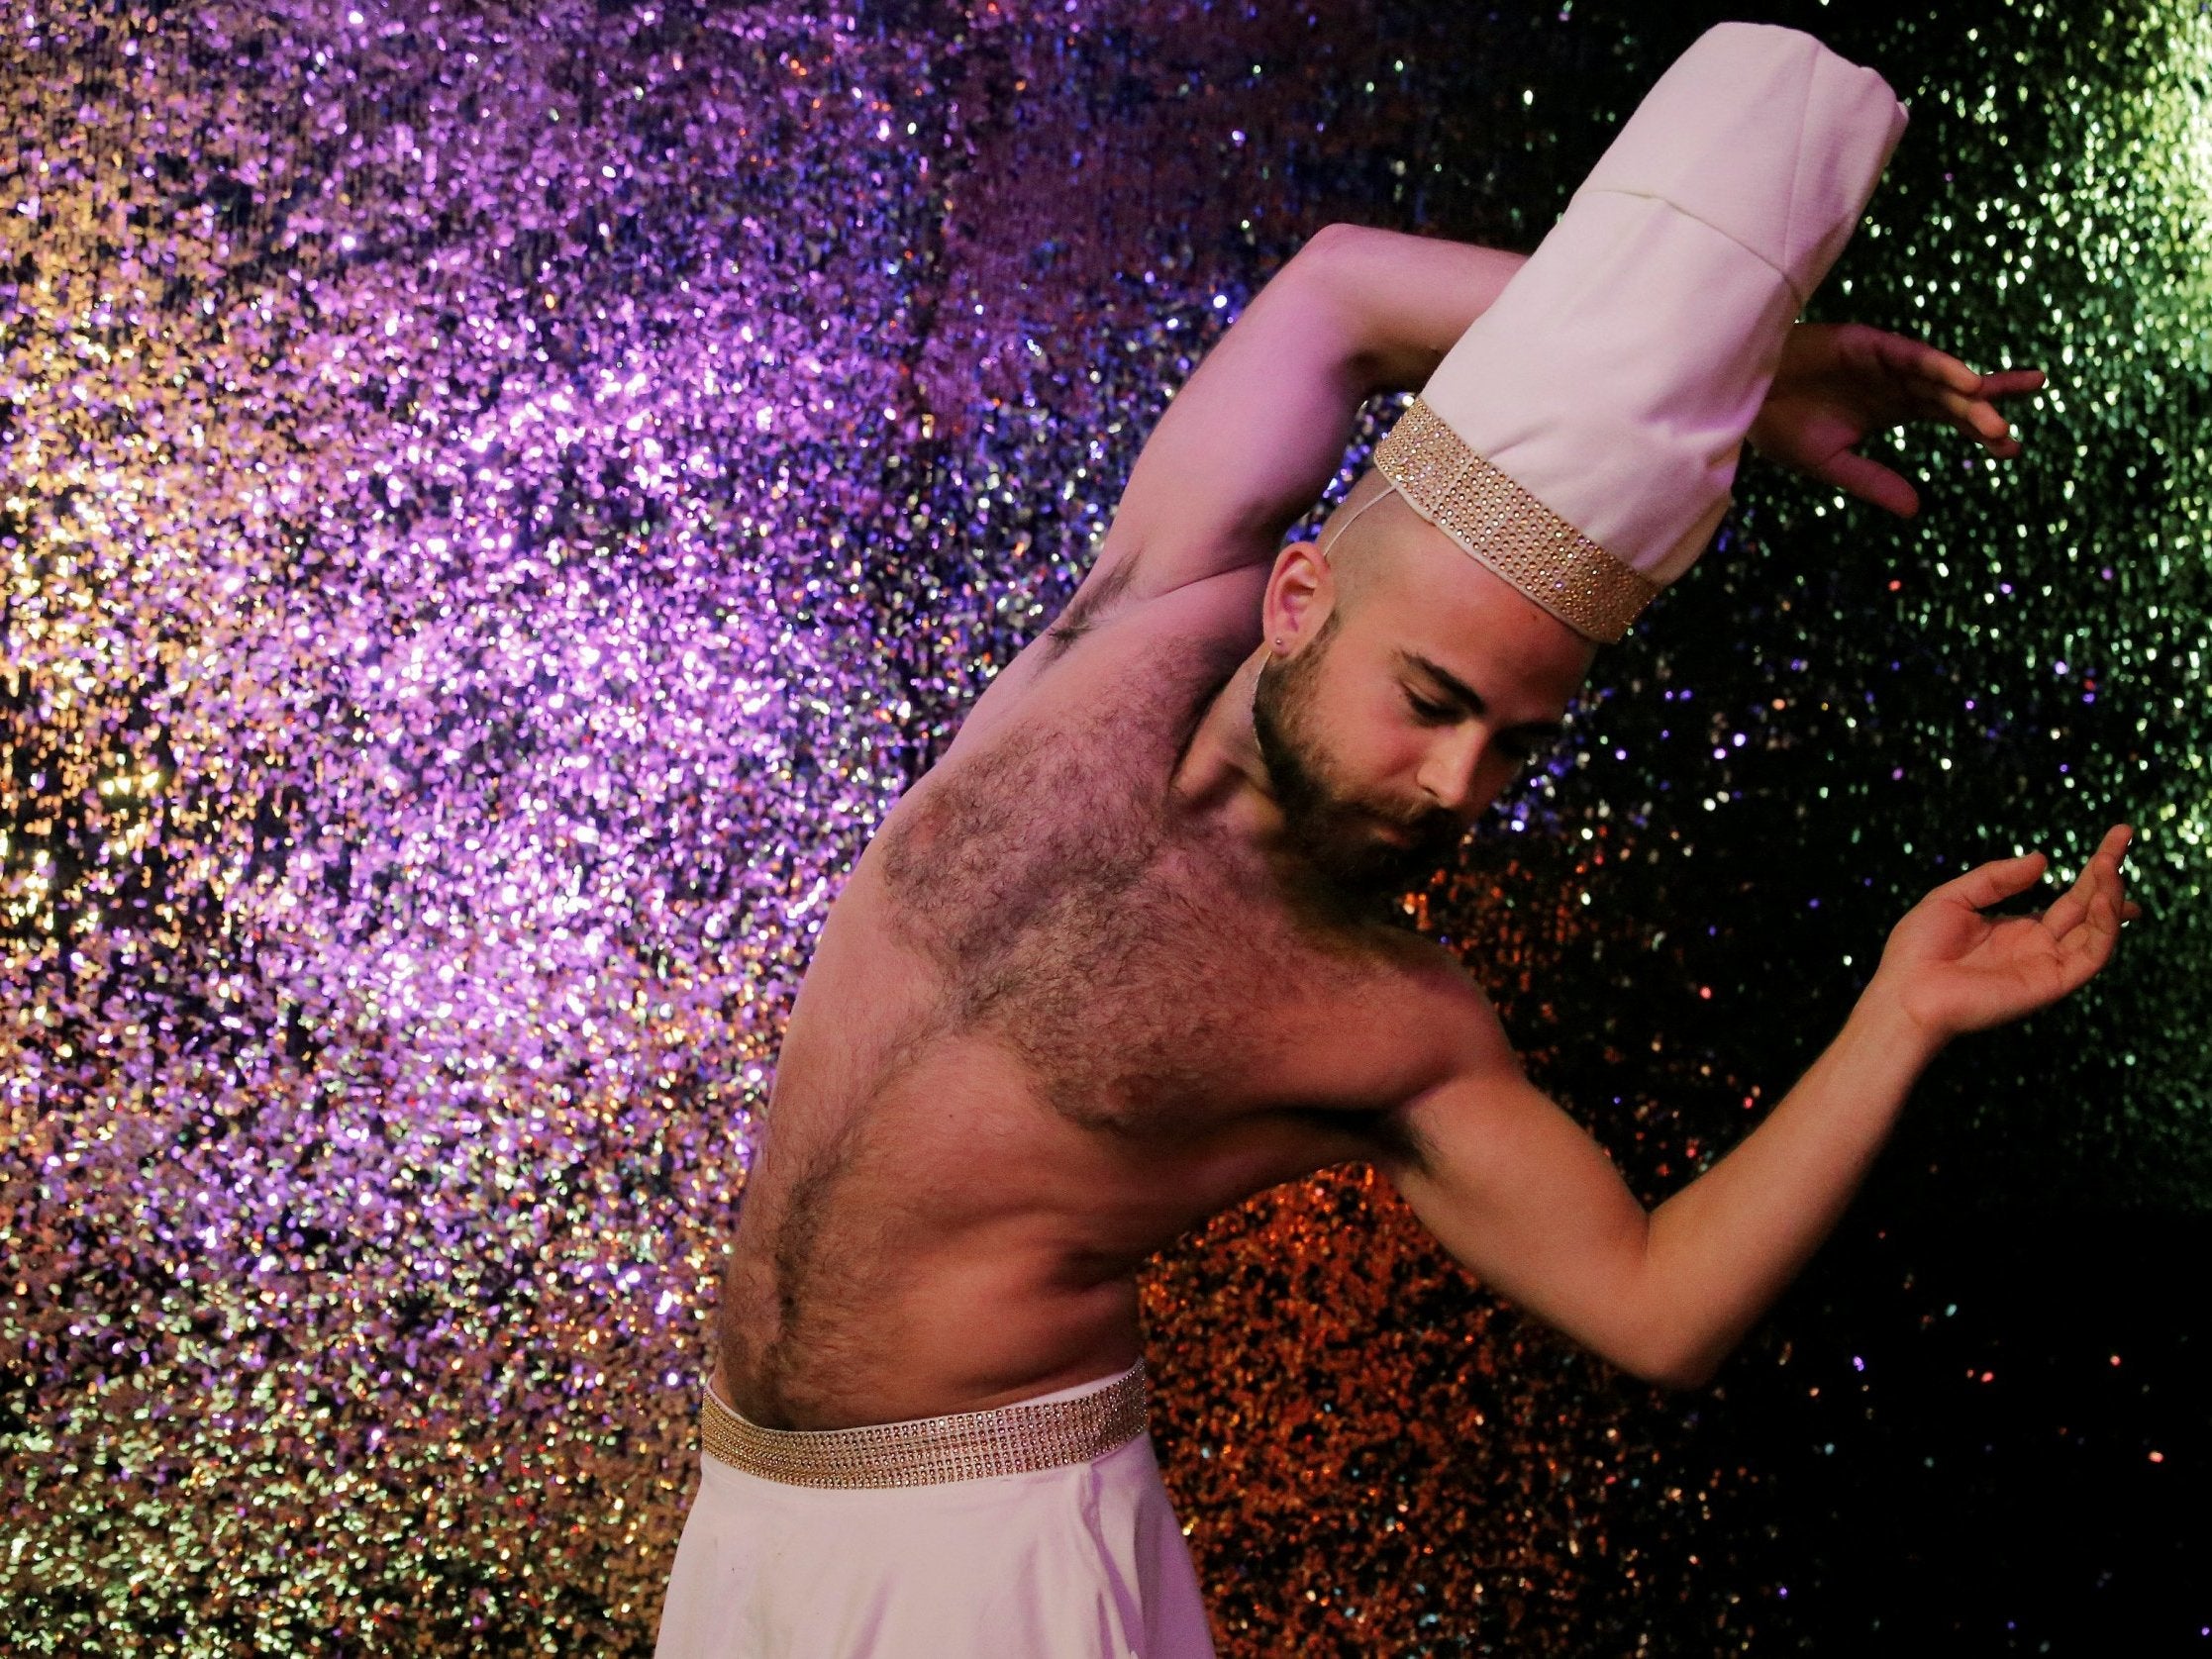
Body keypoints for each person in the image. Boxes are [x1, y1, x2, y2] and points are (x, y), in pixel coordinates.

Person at [653, 25, 2136, 1658]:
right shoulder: (1151, 607)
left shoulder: (1385, 1017)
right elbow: (1340, 292)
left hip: (983, 1562)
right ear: (1298, 600)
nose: (1455, 782)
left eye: (1514, 744)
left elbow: (1655, 1306)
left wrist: (1899, 1016)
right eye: (1430, 698)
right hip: (743, 1513)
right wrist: (1739, 374)